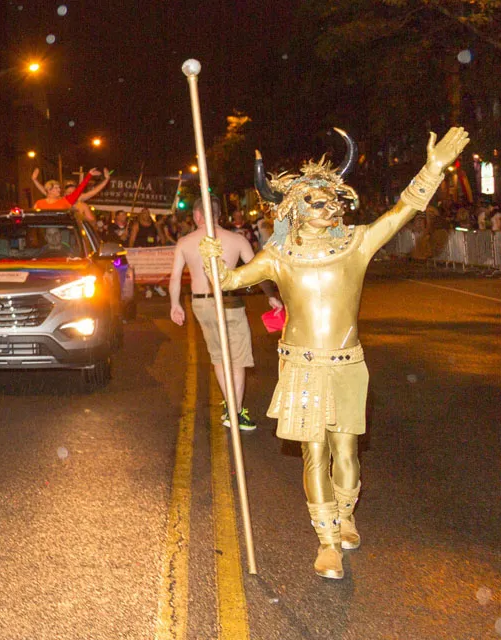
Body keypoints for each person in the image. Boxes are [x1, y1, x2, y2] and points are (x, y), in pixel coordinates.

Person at [200, 127, 468, 580]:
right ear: (294, 209)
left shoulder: (357, 243)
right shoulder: (279, 254)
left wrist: (434, 168)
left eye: (331, 199)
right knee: (314, 452)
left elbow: (402, 211)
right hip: (302, 368)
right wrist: (213, 260)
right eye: (314, 201)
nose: (327, 206)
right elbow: (229, 282)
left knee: (346, 451)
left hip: (348, 366)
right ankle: (326, 541)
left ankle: (345, 517)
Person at [170, 195, 282, 430]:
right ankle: (235, 411)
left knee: (219, 356)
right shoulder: (236, 239)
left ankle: (231, 407)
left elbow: (175, 278)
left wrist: (175, 304)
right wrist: (271, 296)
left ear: (197, 216)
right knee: (237, 358)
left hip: (201, 304)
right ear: (218, 215)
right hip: (229, 302)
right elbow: (256, 271)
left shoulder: (185, 242)